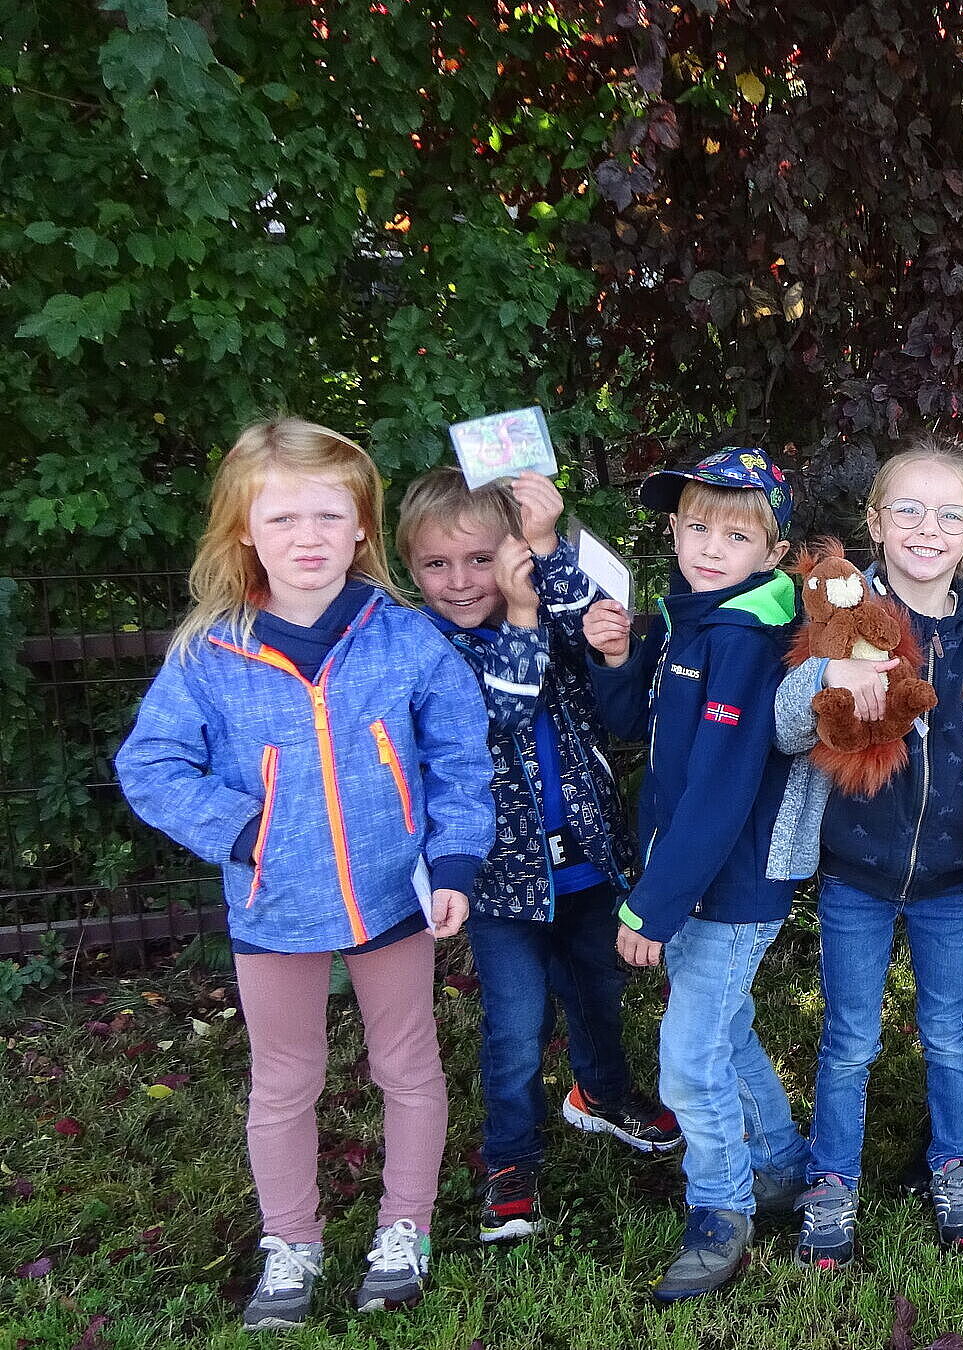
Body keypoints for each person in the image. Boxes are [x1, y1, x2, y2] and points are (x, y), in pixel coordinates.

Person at [116, 417, 494, 1329]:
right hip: (271, 903)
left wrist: (452, 859)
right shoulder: (211, 653)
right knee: (284, 1081)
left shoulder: (405, 639)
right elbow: (151, 764)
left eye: (329, 516)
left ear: (363, 524)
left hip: (390, 895)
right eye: (282, 519)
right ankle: (293, 1242)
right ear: (244, 528)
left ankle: (404, 1227)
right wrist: (244, 829)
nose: (308, 538)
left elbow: (460, 758)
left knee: (406, 1066)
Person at [770, 437, 963, 1267]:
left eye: (949, 515)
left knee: (950, 1030)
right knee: (850, 1037)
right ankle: (832, 1179)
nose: (927, 529)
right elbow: (789, 727)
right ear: (875, 523)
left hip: (954, 872)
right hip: (858, 870)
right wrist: (829, 668)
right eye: (907, 510)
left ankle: (955, 1161)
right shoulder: (837, 610)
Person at [394, 467, 679, 1246]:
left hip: (585, 858)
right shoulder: (421, 644)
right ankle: (510, 1161)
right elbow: (497, 715)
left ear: (511, 553)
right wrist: (520, 608)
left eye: (481, 558)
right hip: (496, 880)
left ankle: (604, 1095)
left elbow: (599, 619)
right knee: (516, 1028)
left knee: (597, 993)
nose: (460, 582)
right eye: (436, 565)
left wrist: (549, 546)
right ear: (410, 571)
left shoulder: (543, 607)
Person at [582, 448, 802, 1303]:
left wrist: (654, 908)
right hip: (689, 876)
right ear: (673, 530)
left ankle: (721, 1211)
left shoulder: (747, 639)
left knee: (687, 1060)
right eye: (698, 526)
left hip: (729, 884)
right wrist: (613, 661)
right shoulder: (693, 615)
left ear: (772, 553)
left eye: (737, 534)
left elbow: (720, 789)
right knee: (724, 1029)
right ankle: (782, 1164)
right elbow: (636, 728)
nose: (711, 546)